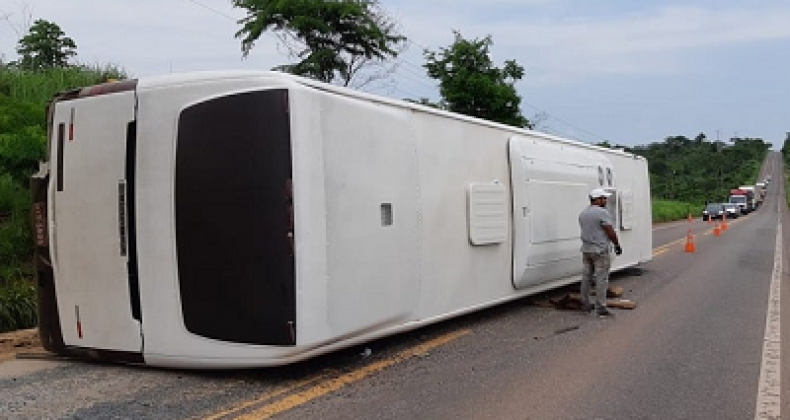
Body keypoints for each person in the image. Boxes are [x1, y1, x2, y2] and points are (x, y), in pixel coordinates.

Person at [578, 188, 622, 317]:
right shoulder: (602, 213)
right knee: (601, 279)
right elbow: (610, 231)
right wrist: (617, 244)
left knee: (586, 277)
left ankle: (585, 304)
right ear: (597, 199)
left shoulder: (583, 213)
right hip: (600, 251)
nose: (606, 200)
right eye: (603, 198)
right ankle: (601, 307)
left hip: (586, 250)